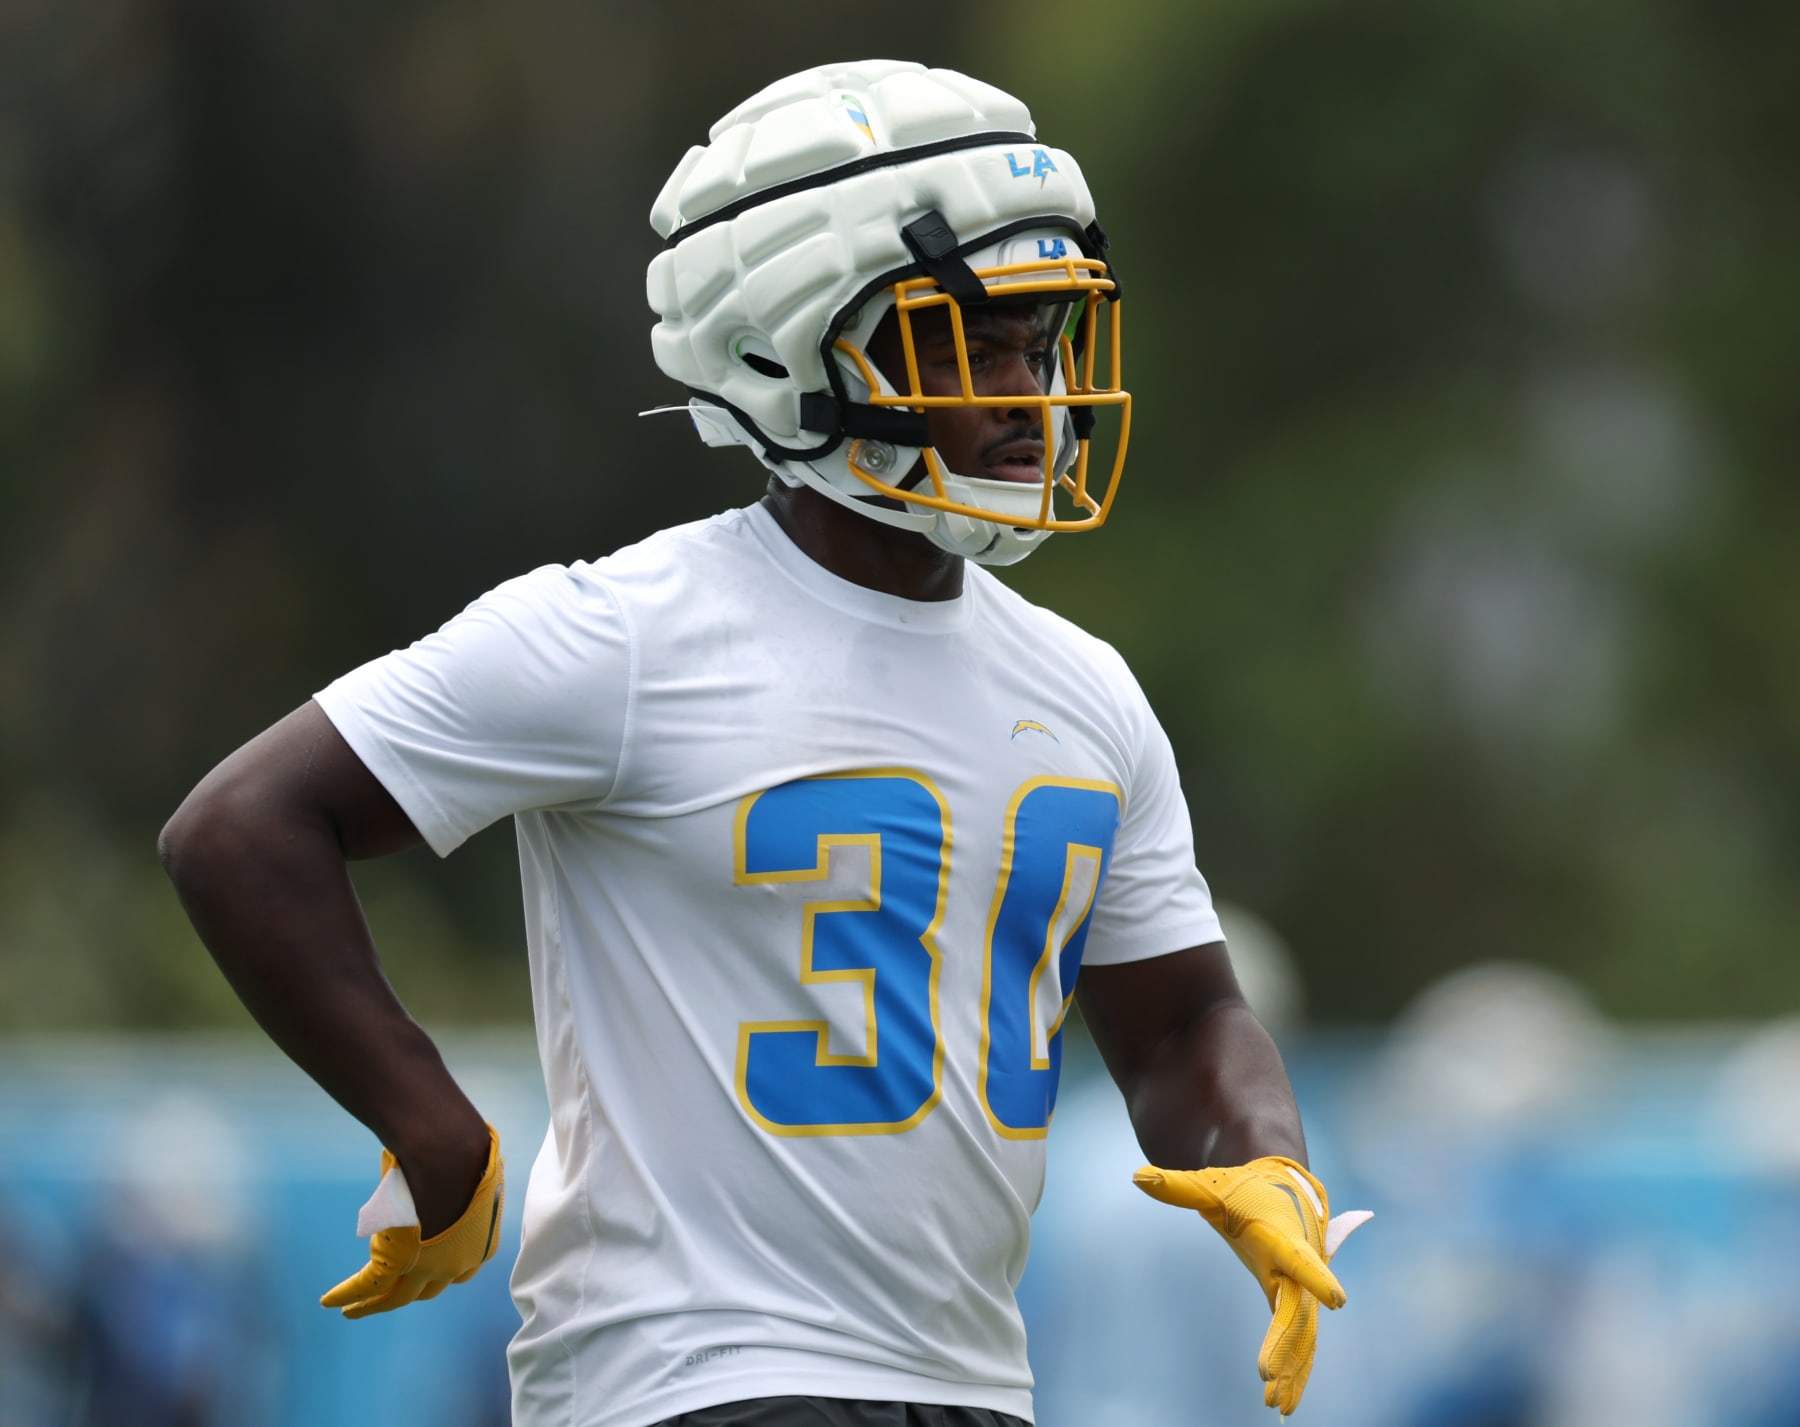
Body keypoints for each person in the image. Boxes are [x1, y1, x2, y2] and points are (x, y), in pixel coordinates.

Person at [160, 59, 1364, 1427]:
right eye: (970, 345)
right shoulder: (628, 634)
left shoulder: (1084, 690)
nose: (1030, 396)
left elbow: (1182, 1024)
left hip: (971, 1382)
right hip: (690, 1375)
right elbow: (242, 828)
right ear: (796, 355)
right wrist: (426, 1119)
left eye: (1040, 346)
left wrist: (1265, 1160)